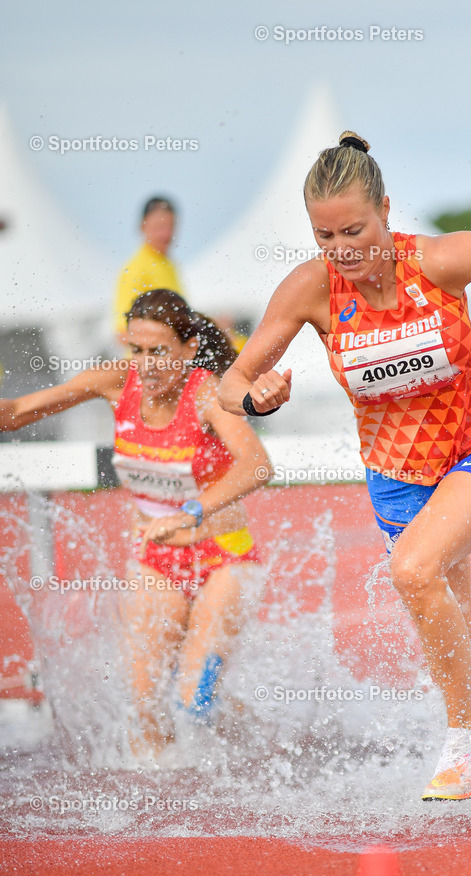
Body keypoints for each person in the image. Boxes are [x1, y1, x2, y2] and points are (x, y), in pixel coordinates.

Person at [217, 131, 471, 802]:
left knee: (412, 571)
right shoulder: (312, 289)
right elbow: (232, 381)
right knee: (448, 616)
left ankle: (463, 743)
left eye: (355, 231)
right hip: (395, 480)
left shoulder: (442, 262)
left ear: (386, 210)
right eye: (325, 236)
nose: (343, 251)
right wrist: (255, 396)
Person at [0, 289, 272, 753]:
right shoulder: (115, 382)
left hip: (224, 556)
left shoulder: (206, 392)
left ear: (187, 350)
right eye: (137, 351)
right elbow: (18, 412)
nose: (146, 366)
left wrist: (189, 513)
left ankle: (262, 751)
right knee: (144, 705)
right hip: (156, 560)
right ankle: (163, 799)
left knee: (194, 699)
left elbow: (257, 466)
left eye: (159, 352)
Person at [113, 197, 183, 340]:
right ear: (142, 227)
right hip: (147, 361)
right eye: (159, 227)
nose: (166, 234)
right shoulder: (135, 269)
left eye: (170, 226)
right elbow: (123, 334)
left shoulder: (170, 265)